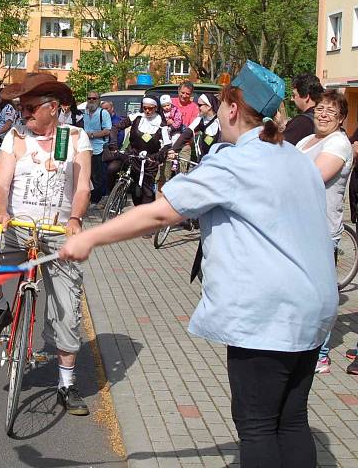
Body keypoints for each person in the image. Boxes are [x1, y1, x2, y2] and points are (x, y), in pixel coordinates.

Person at [60, 60, 337, 468]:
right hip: (313, 308)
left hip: (269, 315)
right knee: (291, 420)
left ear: (230, 109)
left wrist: (88, 236)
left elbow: (160, 213)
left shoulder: (235, 162)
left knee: (258, 426)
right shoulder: (294, 157)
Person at [0, 73, 92, 415]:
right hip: (17, 227)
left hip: (58, 233)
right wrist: (1, 211)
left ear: (54, 107)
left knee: (66, 311)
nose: (24, 113)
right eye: (21, 106)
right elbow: (1, 183)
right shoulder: (15, 137)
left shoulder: (76, 138)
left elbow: (82, 188)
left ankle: (67, 384)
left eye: (31, 107)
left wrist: (76, 219)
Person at [294, 90, 352, 375]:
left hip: (321, 230)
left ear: (341, 118)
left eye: (332, 111)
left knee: (319, 295)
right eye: (321, 109)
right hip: (297, 227)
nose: (324, 114)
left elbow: (311, 178)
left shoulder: (339, 144)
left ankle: (321, 354)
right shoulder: (307, 140)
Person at [106, 97, 169, 208]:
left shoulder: (161, 123)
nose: (147, 111)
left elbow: (168, 144)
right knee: (112, 168)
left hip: (149, 161)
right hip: (131, 155)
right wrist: (113, 144)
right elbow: (115, 128)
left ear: (156, 108)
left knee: (145, 194)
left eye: (151, 108)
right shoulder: (136, 117)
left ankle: (144, 217)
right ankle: (112, 197)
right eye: (145, 108)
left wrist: (158, 157)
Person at [83, 91, 111, 205]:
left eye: (94, 98)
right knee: (87, 175)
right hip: (86, 149)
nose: (91, 100)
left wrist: (92, 135)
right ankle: (89, 198)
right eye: (89, 98)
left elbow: (107, 131)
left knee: (97, 176)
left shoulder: (103, 113)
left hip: (98, 148)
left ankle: (96, 200)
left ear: (98, 100)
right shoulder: (84, 113)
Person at [283, 73, 324, 146]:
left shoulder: (302, 122)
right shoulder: (324, 118)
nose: (292, 99)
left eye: (294, 95)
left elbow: (280, 149)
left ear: (306, 97)